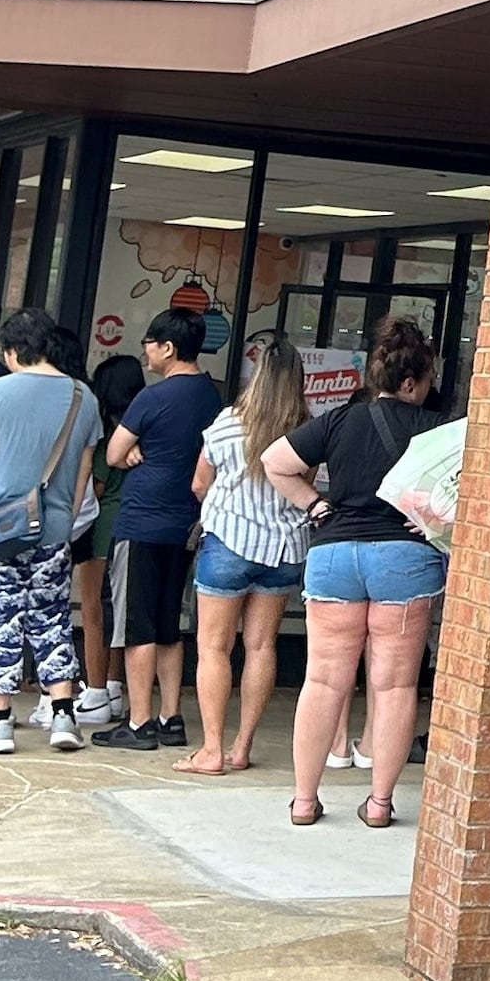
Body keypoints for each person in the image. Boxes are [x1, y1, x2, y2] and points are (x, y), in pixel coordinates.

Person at [268, 314, 452, 828]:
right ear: (413, 381)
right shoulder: (437, 429)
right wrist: (431, 523)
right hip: (403, 558)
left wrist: (315, 506)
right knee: (393, 686)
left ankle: (304, 801)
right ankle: (379, 805)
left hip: (333, 556)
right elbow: (466, 490)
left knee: (323, 681)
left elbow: (274, 461)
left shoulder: (339, 421)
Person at [0, 306, 103, 756]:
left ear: (12, 350)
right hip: (56, 530)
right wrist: (64, 521)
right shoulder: (83, 397)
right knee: (52, 619)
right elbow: (84, 472)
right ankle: (63, 718)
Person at [181, 332, 311, 774]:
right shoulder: (305, 429)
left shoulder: (227, 423)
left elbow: (200, 483)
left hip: (229, 543)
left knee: (214, 648)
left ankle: (211, 749)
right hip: (283, 549)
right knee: (261, 647)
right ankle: (242, 747)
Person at [93, 308, 219, 750]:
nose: (144, 350)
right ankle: (171, 717)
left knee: (137, 626)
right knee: (169, 624)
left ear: (167, 348)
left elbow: (113, 453)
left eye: (149, 342)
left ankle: (140, 722)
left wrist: (131, 451)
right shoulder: (212, 397)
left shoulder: (153, 397)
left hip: (143, 521)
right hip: (185, 524)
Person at [68, 352, 145, 728]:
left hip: (102, 524)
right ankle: (114, 684)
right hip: (134, 522)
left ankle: (95, 689)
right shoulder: (143, 426)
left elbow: (95, 486)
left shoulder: (106, 432)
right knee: (120, 608)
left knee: (93, 607)